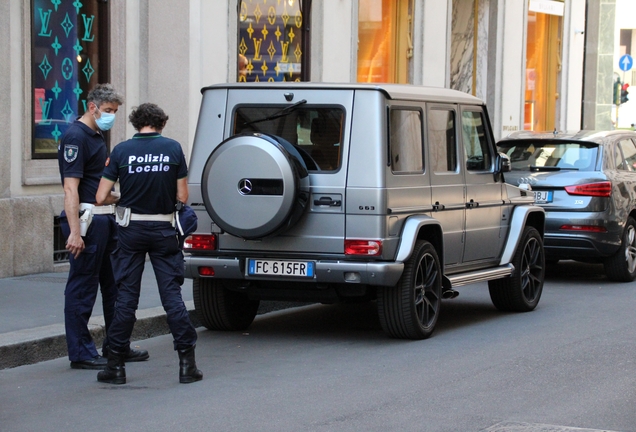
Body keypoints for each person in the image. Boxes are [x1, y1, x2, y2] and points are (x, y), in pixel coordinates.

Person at [95, 103, 202, 385]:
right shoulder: (173, 148)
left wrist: (123, 198)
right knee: (172, 296)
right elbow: (182, 196)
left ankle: (115, 365)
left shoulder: (121, 151)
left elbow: (101, 196)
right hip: (164, 229)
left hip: (131, 230)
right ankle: (186, 365)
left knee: (126, 297)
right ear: (161, 124)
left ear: (135, 123)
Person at [58, 83, 149, 370]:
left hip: (107, 218)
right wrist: (74, 231)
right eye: (108, 110)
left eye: (114, 112)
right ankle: (81, 352)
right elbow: (71, 189)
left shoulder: (96, 135)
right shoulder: (75, 137)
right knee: (83, 288)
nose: (111, 116)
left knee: (115, 286)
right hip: (88, 221)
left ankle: (116, 345)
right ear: (92, 106)